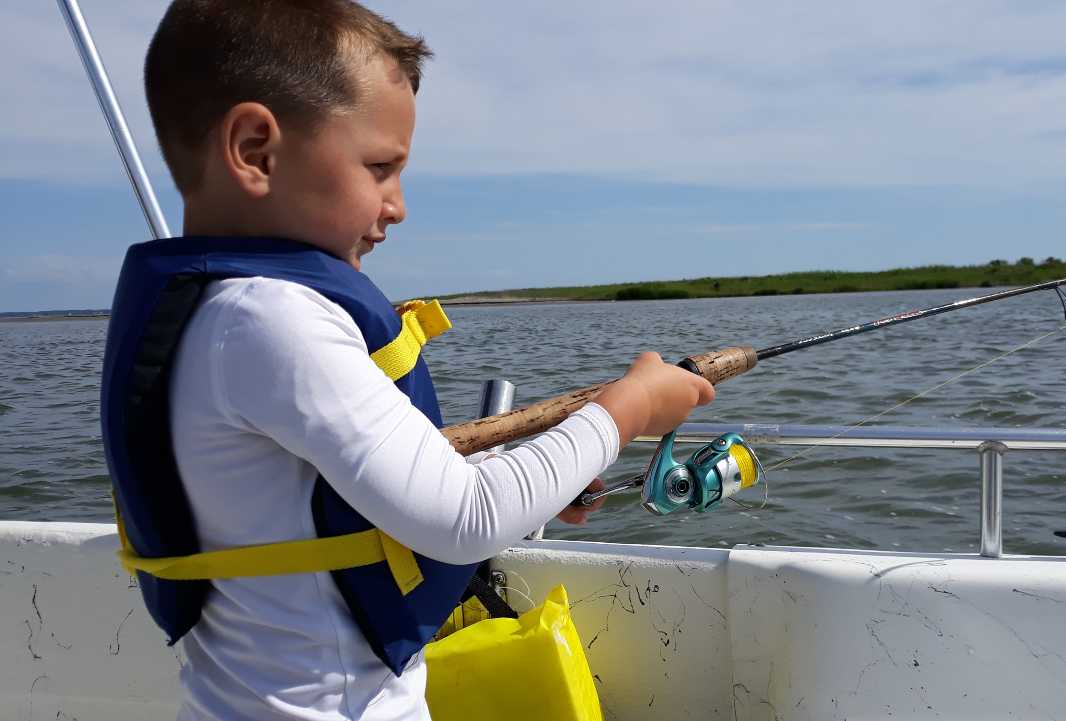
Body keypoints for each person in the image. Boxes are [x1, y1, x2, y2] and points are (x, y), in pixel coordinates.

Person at [98, 2, 715, 720]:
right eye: (380, 167)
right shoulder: (267, 320)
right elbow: (466, 517)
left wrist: (553, 472)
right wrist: (630, 408)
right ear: (255, 150)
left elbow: (352, 499)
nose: (398, 206)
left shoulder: (223, 314)